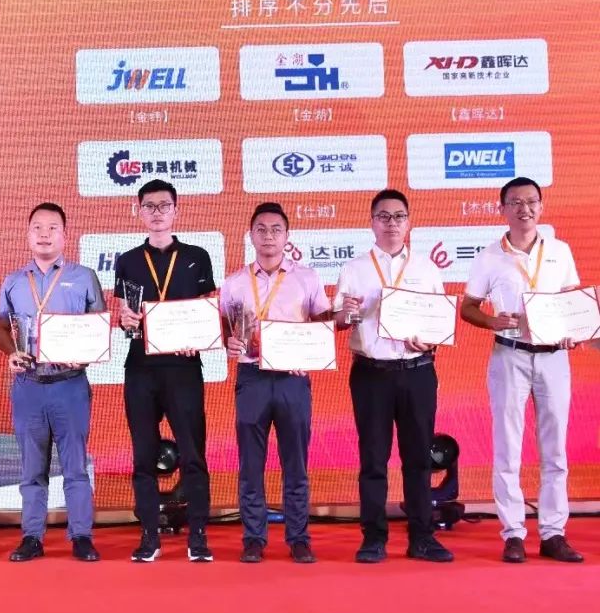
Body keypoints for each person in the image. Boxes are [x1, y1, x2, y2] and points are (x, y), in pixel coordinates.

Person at [461, 177, 584, 563]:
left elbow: (572, 304)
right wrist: (491, 322)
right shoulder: (488, 256)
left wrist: (574, 331)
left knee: (555, 449)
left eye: (531, 201)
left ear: (541, 207)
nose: (524, 209)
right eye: (515, 202)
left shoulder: (560, 251)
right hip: (509, 355)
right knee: (507, 447)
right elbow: (468, 308)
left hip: (554, 358)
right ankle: (513, 533)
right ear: (502, 209)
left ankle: (553, 533)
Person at [334, 189, 453, 563]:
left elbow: (438, 323)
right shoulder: (354, 269)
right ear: (372, 222)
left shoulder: (426, 268)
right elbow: (339, 321)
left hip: (417, 371)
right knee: (373, 459)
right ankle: (373, 537)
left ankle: (422, 537)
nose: (391, 223)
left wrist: (429, 340)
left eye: (399, 216)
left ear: (409, 222)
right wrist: (348, 314)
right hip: (372, 374)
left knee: (418, 458)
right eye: (383, 217)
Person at [0, 202, 106, 562]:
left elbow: (99, 327)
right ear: (28, 234)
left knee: (75, 466)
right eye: (37, 228)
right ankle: (32, 537)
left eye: (52, 228)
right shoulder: (13, 281)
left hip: (69, 384)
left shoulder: (84, 276)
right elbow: (0, 327)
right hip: (28, 385)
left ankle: (82, 536)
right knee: (32, 468)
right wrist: (11, 351)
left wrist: (84, 355)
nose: (44, 234)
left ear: (65, 235)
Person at [219, 202, 330, 564]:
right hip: (252, 378)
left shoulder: (307, 278)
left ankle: (299, 538)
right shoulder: (234, 283)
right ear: (251, 235)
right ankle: (253, 537)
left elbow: (322, 326)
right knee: (251, 465)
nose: (269, 236)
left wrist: (309, 354)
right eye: (261, 230)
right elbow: (224, 329)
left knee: (295, 464)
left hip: (292, 380)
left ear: (287, 236)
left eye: (276, 229)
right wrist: (229, 343)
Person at [114, 179, 215, 562]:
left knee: (193, 453)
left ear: (176, 210)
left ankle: (198, 536)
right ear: (138, 211)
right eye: (150, 206)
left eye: (164, 205)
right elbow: (124, 315)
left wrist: (198, 337)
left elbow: (207, 310)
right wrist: (124, 321)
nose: (157, 213)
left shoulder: (197, 256)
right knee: (143, 454)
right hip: (141, 367)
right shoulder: (127, 260)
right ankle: (149, 536)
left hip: (183, 367)